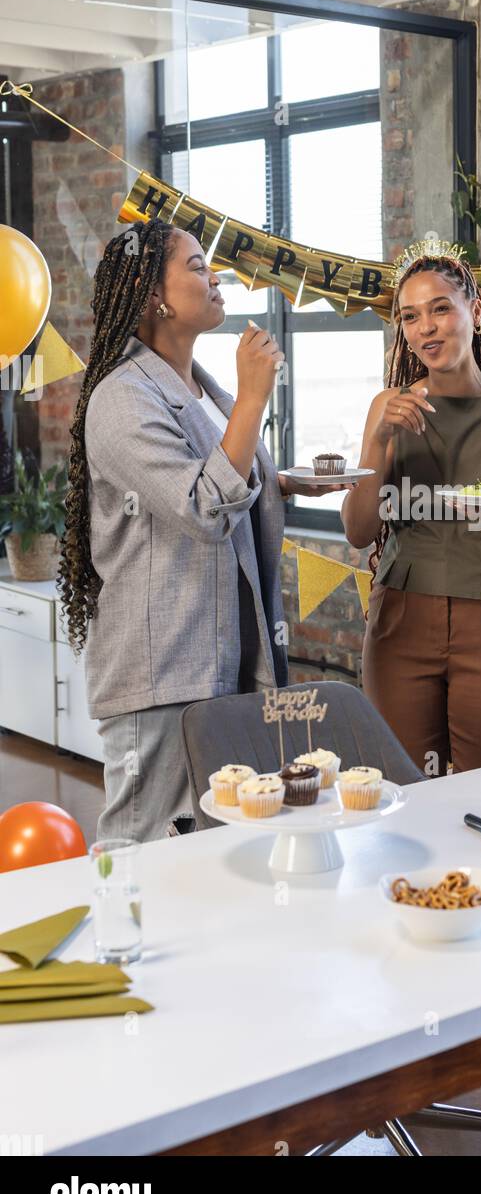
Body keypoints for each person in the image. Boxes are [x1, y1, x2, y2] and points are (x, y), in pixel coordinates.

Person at [58, 218, 349, 842]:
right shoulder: (121, 398)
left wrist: (284, 483)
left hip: (223, 661)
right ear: (152, 296)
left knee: (214, 845)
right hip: (162, 671)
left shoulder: (200, 390)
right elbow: (201, 507)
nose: (214, 277)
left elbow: (223, 477)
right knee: (143, 844)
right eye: (195, 266)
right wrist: (252, 400)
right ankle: (116, 943)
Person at [342, 246, 481, 775]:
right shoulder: (389, 405)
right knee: (408, 786)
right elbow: (357, 529)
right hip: (401, 619)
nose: (426, 329)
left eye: (440, 309)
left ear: (474, 311)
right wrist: (379, 439)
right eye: (410, 317)